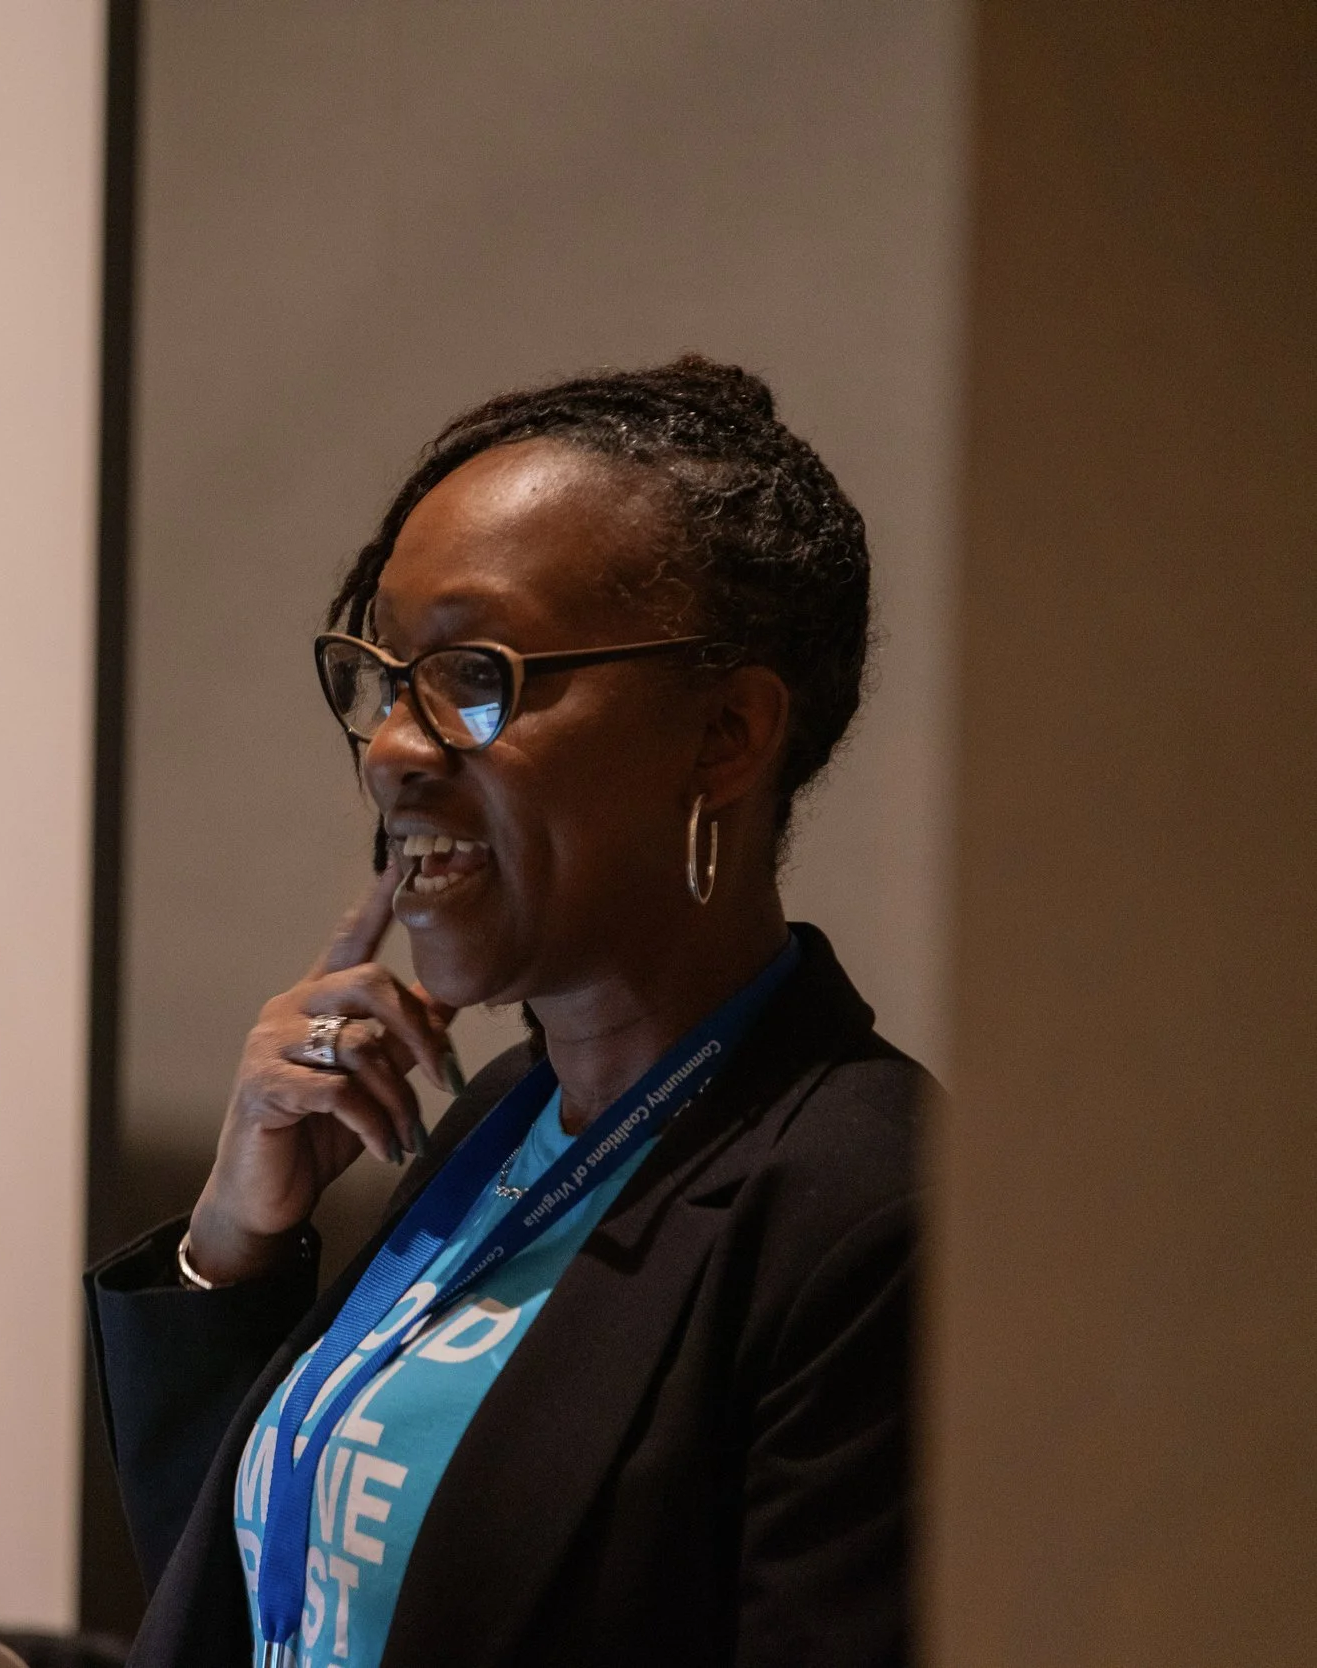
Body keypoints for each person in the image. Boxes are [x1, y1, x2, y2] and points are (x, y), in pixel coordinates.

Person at [88, 356, 927, 1668]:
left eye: (474, 676)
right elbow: (268, 1608)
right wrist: (233, 1250)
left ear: (727, 736)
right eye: (381, 679)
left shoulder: (871, 1213)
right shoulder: (499, 1116)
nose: (393, 750)